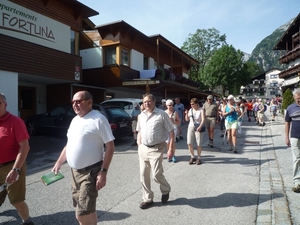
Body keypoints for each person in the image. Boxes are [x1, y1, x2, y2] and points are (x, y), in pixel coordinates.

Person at [52, 91, 115, 225]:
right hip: (74, 172)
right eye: (73, 102)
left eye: (78, 101)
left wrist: (103, 172)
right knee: (88, 210)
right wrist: (58, 162)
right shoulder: (75, 120)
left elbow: (110, 146)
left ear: (89, 102)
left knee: (81, 214)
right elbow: (69, 145)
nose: (75, 104)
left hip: (90, 172)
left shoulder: (99, 119)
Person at [0, 93, 34, 225]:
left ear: (5, 105)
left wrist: (16, 170)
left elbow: (25, 147)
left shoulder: (15, 122)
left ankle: (27, 221)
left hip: (12, 167)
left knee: (16, 200)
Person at [136, 94, 175, 209]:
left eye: (149, 101)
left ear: (154, 101)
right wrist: (139, 144)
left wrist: (171, 149)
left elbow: (171, 132)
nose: (146, 104)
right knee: (143, 174)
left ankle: (165, 189)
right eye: (144, 102)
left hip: (157, 149)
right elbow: (139, 131)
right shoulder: (141, 116)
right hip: (143, 148)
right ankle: (147, 199)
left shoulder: (161, 114)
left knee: (156, 175)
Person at [285, 88, 300, 193]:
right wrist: (286, 137)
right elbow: (287, 123)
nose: (299, 101)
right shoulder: (290, 108)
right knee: (297, 158)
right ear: (294, 97)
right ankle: (297, 182)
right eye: (298, 99)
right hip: (295, 136)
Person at [185, 98, 206, 165]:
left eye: (193, 104)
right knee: (189, 143)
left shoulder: (201, 110)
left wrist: (200, 126)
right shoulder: (190, 110)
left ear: (197, 104)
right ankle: (192, 156)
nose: (191, 105)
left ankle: (199, 158)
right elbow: (186, 119)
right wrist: (186, 114)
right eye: (191, 104)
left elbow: (203, 119)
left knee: (198, 144)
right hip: (191, 127)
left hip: (198, 127)